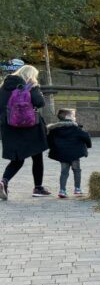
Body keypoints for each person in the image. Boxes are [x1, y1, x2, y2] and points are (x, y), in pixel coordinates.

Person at [0, 64, 50, 199]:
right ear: (30, 75)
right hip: (30, 127)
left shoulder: (4, 87)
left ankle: (4, 181)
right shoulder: (30, 86)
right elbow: (40, 103)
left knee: (17, 159)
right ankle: (38, 188)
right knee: (37, 156)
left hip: (9, 127)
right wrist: (35, 88)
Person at [46, 108, 91, 198]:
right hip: (75, 154)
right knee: (77, 170)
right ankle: (77, 189)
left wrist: (54, 148)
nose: (75, 117)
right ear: (68, 117)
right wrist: (88, 146)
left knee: (64, 172)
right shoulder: (76, 128)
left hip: (62, 154)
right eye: (74, 115)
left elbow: (49, 141)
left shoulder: (54, 129)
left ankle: (62, 190)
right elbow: (86, 137)